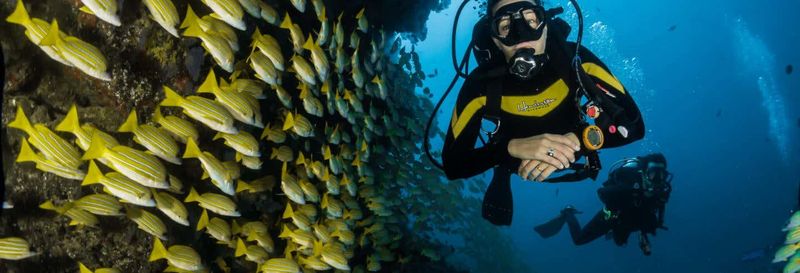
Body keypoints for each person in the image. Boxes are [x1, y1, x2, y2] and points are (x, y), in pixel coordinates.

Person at [440, 0, 645, 225]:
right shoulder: (480, 86)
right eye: (506, 26)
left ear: (545, 26)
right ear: (496, 40)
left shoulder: (576, 61)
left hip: (574, 145)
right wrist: (509, 148)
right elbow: (453, 165)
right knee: (504, 166)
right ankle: (503, 171)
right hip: (512, 159)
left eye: (530, 19)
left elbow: (634, 126)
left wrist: (580, 141)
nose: (521, 34)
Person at [534, 153, 672, 255]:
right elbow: (602, 192)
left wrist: (644, 234)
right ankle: (568, 213)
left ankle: (617, 231)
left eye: (662, 176)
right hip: (611, 216)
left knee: (620, 242)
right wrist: (627, 194)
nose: (658, 180)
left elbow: (653, 214)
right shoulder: (629, 180)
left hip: (630, 220)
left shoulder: (661, 193)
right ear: (645, 173)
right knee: (579, 240)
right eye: (654, 175)